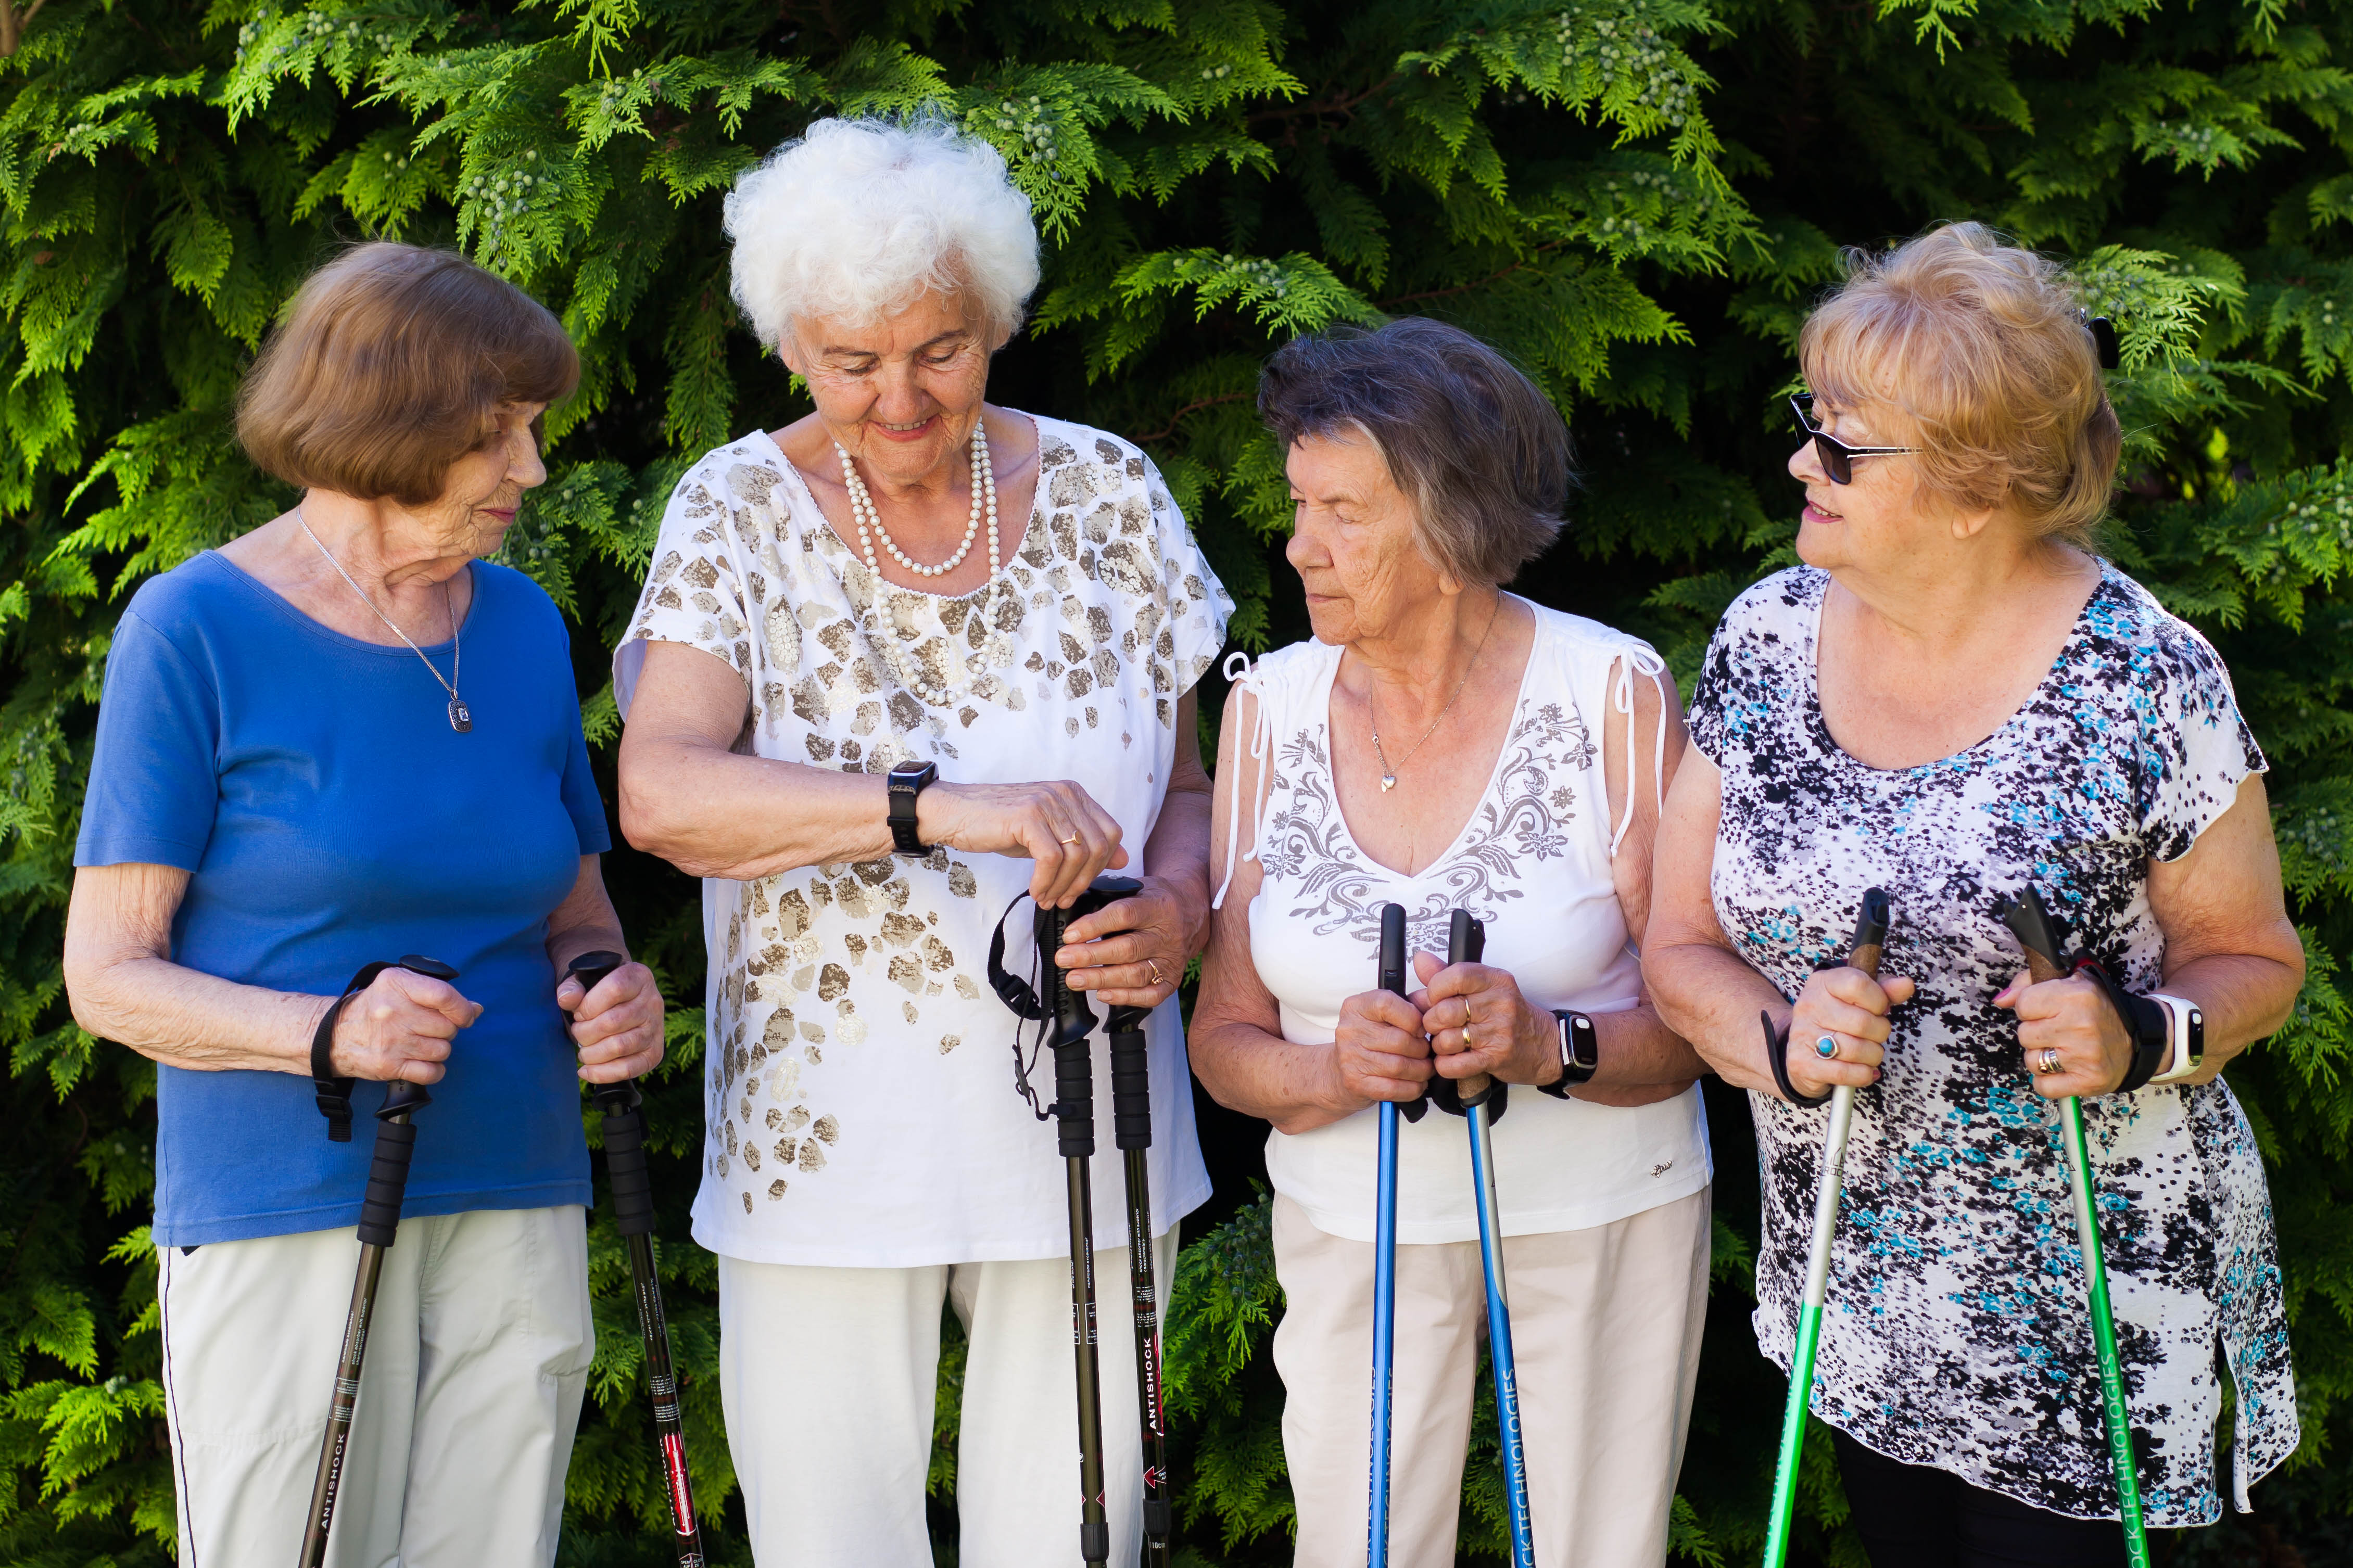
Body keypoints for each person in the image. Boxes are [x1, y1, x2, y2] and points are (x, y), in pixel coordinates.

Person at [611, 114, 1232, 1566]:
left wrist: (1187, 913)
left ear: (1000, 320)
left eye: (939, 348)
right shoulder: (734, 509)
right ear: (790, 349)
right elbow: (663, 796)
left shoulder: (1112, 489)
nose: (898, 397)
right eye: (851, 361)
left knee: (1079, 1544)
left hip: (1092, 1114)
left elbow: (1194, 793)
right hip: (825, 1143)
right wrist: (939, 807)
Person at [1644, 222, 2305, 1566]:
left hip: (2086, 1324)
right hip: (1861, 1287)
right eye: (1805, 422)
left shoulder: (2143, 676)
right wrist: (1781, 1036)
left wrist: (2141, 1030)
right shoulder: (1765, 638)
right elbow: (1679, 940)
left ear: (1973, 488)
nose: (1798, 465)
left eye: (1842, 446)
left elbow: (2255, 958)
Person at [59, 242, 665, 1567]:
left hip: (514, 1179)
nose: (535, 471)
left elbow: (578, 912)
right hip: (286, 1195)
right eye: (501, 436)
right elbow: (107, 977)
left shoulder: (520, 627)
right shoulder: (195, 628)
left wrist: (616, 992)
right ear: (394, 426)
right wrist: (330, 1034)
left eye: (535, 434)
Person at [1189, 317, 1713, 1568]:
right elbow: (1221, 1038)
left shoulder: (1612, 694)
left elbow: (1698, 1022)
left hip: (1603, 1212)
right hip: (1349, 1226)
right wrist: (1329, 1073)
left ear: (1453, 524)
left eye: (1342, 512)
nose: (1297, 543)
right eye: (1298, 502)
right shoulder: (1266, 708)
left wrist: (1547, 1041)